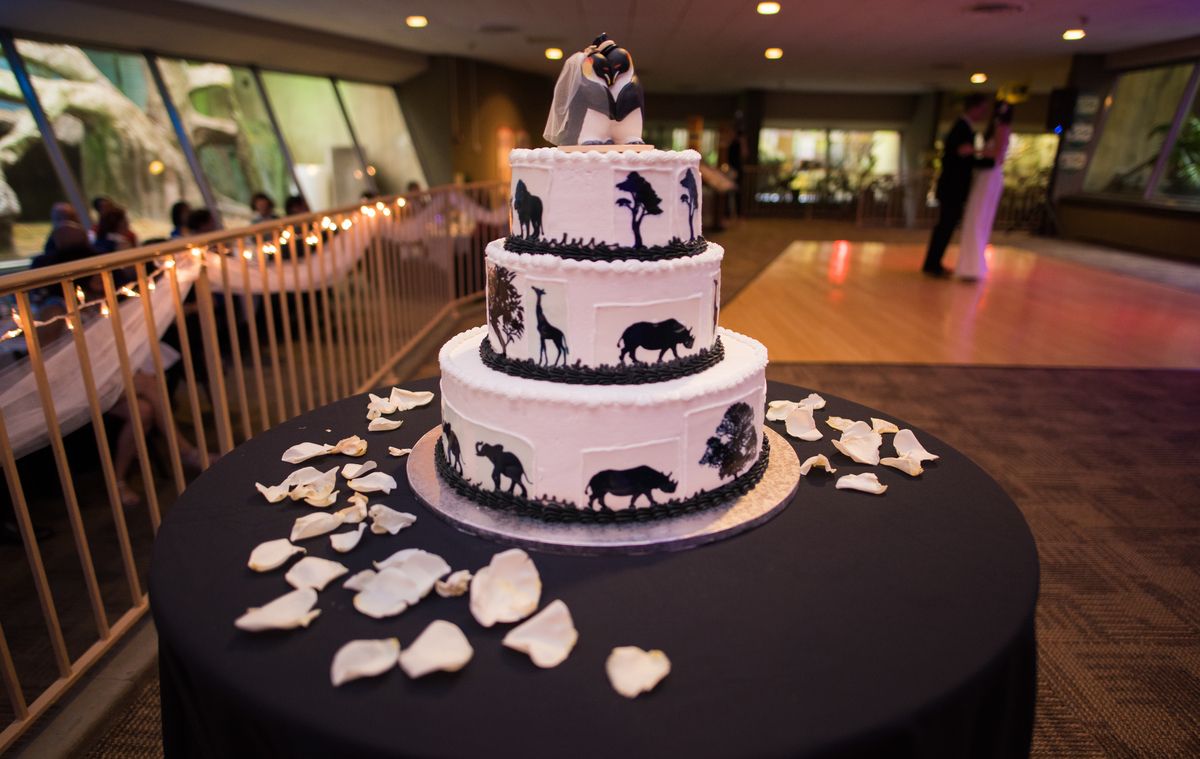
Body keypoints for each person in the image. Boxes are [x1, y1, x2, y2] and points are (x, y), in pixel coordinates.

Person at [922, 93, 994, 277]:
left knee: (946, 225)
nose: (984, 113)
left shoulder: (963, 128)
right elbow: (960, 158)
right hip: (952, 188)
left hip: (953, 187)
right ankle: (933, 264)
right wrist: (988, 160)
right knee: (945, 225)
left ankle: (933, 262)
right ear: (974, 108)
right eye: (982, 109)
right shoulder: (961, 128)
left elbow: (964, 157)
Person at [957, 101, 1014, 282]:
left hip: (990, 177)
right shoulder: (997, 128)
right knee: (974, 218)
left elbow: (998, 156)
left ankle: (973, 267)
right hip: (984, 176)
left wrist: (973, 150)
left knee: (978, 219)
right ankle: (968, 266)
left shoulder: (1002, 129)